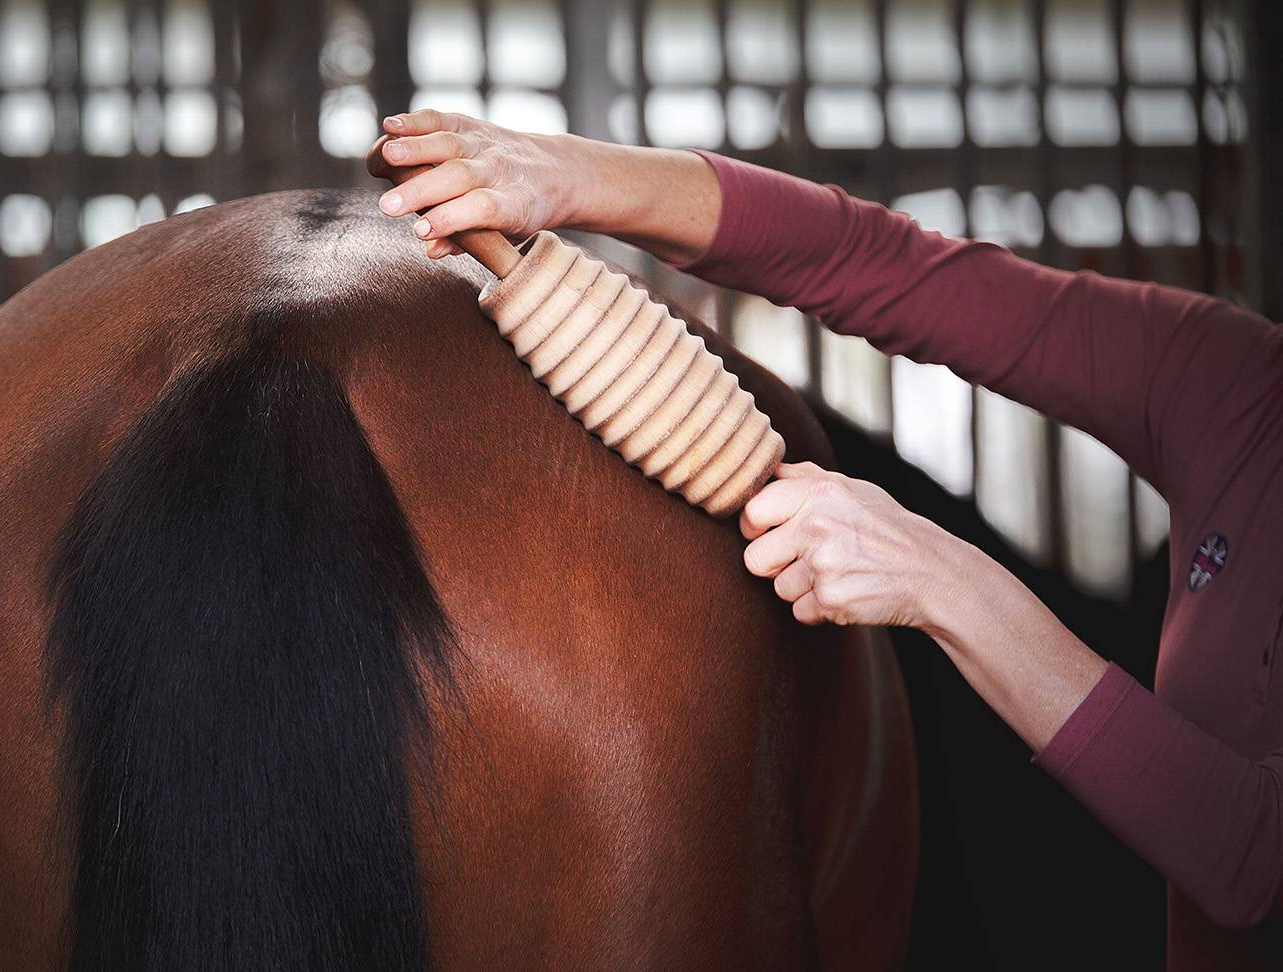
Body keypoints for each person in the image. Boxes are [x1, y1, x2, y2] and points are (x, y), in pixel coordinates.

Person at [369, 108, 1283, 970]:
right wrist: (567, 173)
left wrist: (940, 579)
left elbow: (1249, 859)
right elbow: (876, 261)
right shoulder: (1236, 386)